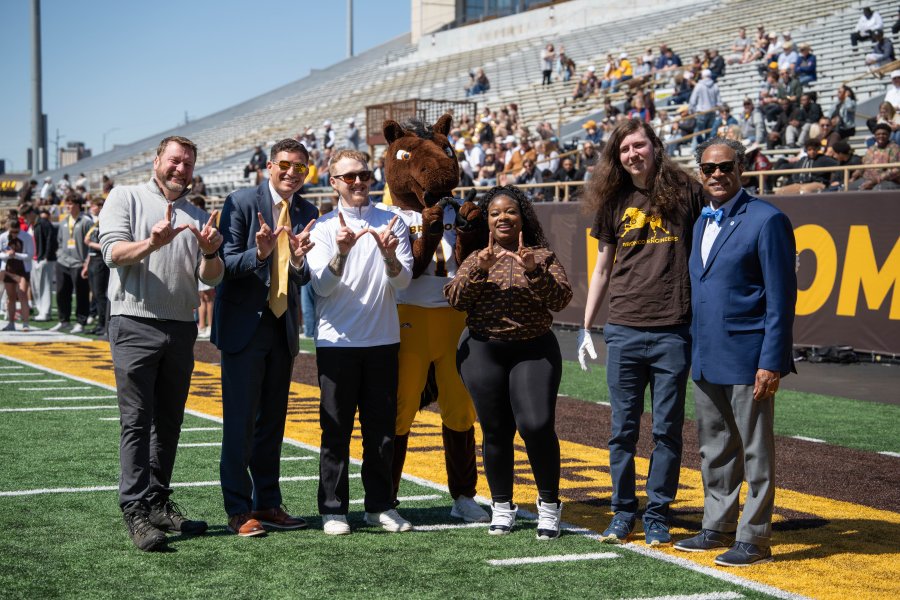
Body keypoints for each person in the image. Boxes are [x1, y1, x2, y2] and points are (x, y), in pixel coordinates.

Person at [577, 120, 703, 546]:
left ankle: (658, 513)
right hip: (625, 329)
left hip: (673, 331)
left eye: (639, 145)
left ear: (655, 146)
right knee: (622, 429)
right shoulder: (613, 201)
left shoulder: (688, 190)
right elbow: (601, 268)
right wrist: (587, 327)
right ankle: (622, 510)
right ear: (618, 157)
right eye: (625, 149)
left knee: (667, 429)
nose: (633, 154)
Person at [99, 135, 224, 551]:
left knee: (169, 420)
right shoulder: (125, 196)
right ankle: (134, 509)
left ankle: (156, 501)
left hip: (180, 326)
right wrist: (152, 242)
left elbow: (210, 278)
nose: (180, 169)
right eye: (174, 160)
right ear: (156, 161)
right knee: (137, 420)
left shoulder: (196, 213)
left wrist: (209, 252)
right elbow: (112, 253)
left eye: (187, 164)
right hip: (134, 321)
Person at [676, 137, 796, 567]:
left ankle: (755, 537)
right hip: (707, 355)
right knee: (714, 448)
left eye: (725, 166)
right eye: (708, 169)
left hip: (749, 356)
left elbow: (781, 298)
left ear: (740, 168)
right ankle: (718, 524)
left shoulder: (767, 220)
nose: (716, 175)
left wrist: (772, 361)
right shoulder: (699, 223)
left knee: (755, 450)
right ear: (700, 173)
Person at [444, 185, 572, 539]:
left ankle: (549, 505)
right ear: (487, 220)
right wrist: (478, 271)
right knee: (496, 430)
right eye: (495, 213)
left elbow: (561, 300)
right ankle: (502, 505)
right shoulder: (476, 258)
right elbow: (455, 300)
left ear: (522, 218)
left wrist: (534, 270)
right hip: (484, 350)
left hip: (533, 349)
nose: (503, 217)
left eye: (510, 212)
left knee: (536, 424)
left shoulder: (542, 255)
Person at [212, 138, 319, 537]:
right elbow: (224, 264)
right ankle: (239, 510)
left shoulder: (308, 210)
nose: (293, 173)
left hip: (282, 326)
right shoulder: (240, 202)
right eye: (286, 165)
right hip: (245, 327)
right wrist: (259, 254)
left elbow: (303, 276)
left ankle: (268, 503)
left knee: (272, 424)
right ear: (270, 166)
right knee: (239, 423)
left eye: (301, 168)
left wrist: (300, 258)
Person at [305, 148, 413, 535]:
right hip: (336, 342)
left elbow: (402, 283)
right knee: (335, 430)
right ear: (333, 182)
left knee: (381, 430)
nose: (357, 182)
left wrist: (388, 257)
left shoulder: (392, 222)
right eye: (348, 177)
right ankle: (333, 509)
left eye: (363, 175)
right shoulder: (321, 229)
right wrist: (342, 252)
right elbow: (321, 286)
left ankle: (379, 505)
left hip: (383, 339)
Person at [49, 194, 92, 333]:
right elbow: (60, 241)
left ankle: (81, 322)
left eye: (71, 204)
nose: (68, 206)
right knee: (61, 292)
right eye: (66, 204)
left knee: (81, 293)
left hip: (79, 263)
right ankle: (64, 320)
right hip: (63, 262)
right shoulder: (63, 221)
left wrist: (86, 262)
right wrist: (59, 255)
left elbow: (91, 244)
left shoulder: (86, 221)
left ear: (78, 205)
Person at [82, 197, 109, 337]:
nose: (92, 208)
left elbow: (105, 246)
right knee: (95, 295)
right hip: (92, 259)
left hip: (100, 260)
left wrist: (90, 244)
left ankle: (105, 325)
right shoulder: (96, 222)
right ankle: (100, 324)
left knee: (100, 295)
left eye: (94, 205)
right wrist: (86, 264)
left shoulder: (106, 222)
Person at [1, 219, 33, 331]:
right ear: (8, 229)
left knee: (22, 294)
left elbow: (30, 255)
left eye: (16, 231)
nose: (14, 234)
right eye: (12, 232)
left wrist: (16, 255)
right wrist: (6, 254)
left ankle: (25, 323)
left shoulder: (27, 237)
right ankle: (11, 323)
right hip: (9, 269)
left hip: (23, 269)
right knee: (11, 297)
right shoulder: (3, 237)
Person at [849, 123, 900, 190]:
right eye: (878, 134)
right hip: (867, 179)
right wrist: (854, 177)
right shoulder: (871, 149)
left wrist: (875, 181)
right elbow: (863, 166)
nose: (881, 136)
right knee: (847, 188)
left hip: (888, 180)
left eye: (884, 134)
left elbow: (896, 170)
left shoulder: (894, 148)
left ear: (889, 135)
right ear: (874, 136)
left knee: (876, 190)